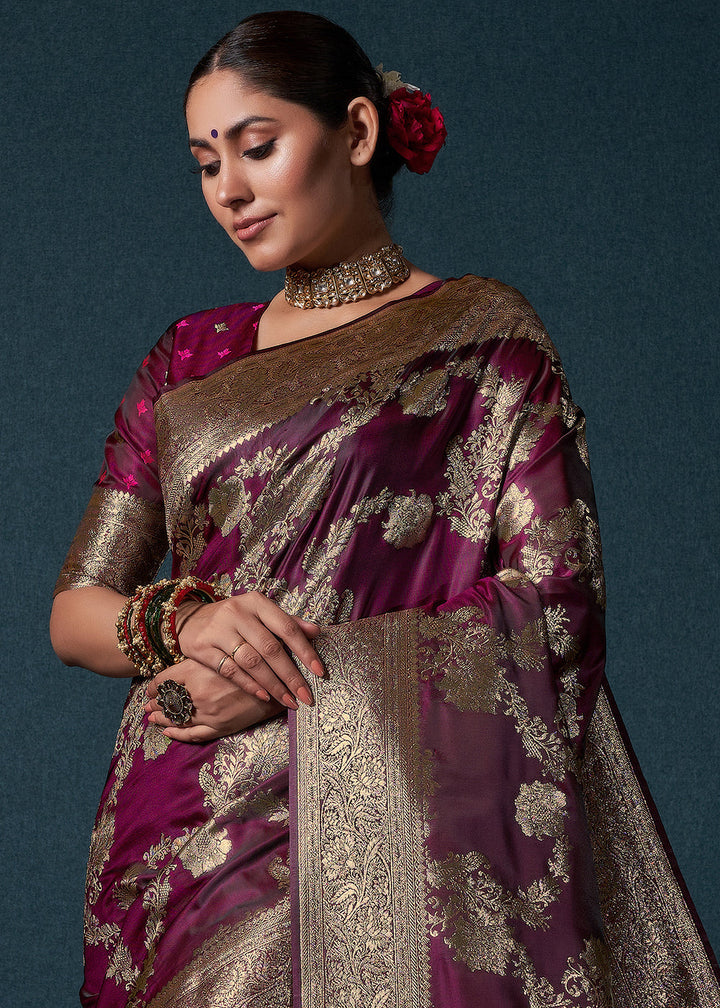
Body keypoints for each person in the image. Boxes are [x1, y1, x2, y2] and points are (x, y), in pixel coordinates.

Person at [50, 11, 719, 1008]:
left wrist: (292, 679)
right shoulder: (185, 362)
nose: (229, 190)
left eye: (257, 147)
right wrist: (181, 622)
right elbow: (76, 611)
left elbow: (556, 606)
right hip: (189, 838)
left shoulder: (484, 342)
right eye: (205, 164)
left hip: (406, 825)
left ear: (358, 132)